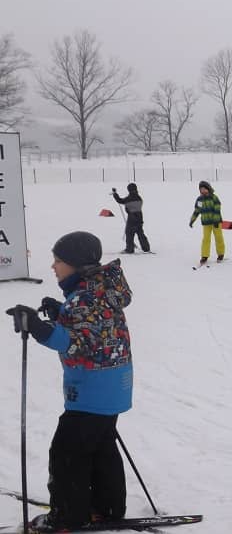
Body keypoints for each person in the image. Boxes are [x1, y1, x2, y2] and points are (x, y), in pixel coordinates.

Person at [5, 231, 133, 531]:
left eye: (58, 260)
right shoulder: (101, 288)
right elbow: (93, 328)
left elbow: (77, 342)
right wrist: (60, 312)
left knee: (67, 454)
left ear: (76, 264)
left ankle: (67, 516)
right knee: (101, 447)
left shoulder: (84, 298)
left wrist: (38, 327)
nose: (53, 266)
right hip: (113, 386)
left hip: (91, 392)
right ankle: (108, 507)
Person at [189, 181, 224, 265]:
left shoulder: (214, 197)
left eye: (204, 189)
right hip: (206, 223)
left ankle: (220, 254)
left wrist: (216, 220)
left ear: (208, 189)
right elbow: (197, 211)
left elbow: (217, 210)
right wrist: (192, 220)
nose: (203, 191)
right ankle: (204, 256)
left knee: (218, 238)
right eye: (201, 189)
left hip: (216, 222)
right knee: (206, 239)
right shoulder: (200, 200)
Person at [111, 183, 150, 254]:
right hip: (139, 217)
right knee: (140, 233)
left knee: (129, 234)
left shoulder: (129, 198)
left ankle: (129, 249)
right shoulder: (139, 198)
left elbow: (120, 200)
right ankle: (146, 248)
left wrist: (115, 194)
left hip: (132, 218)